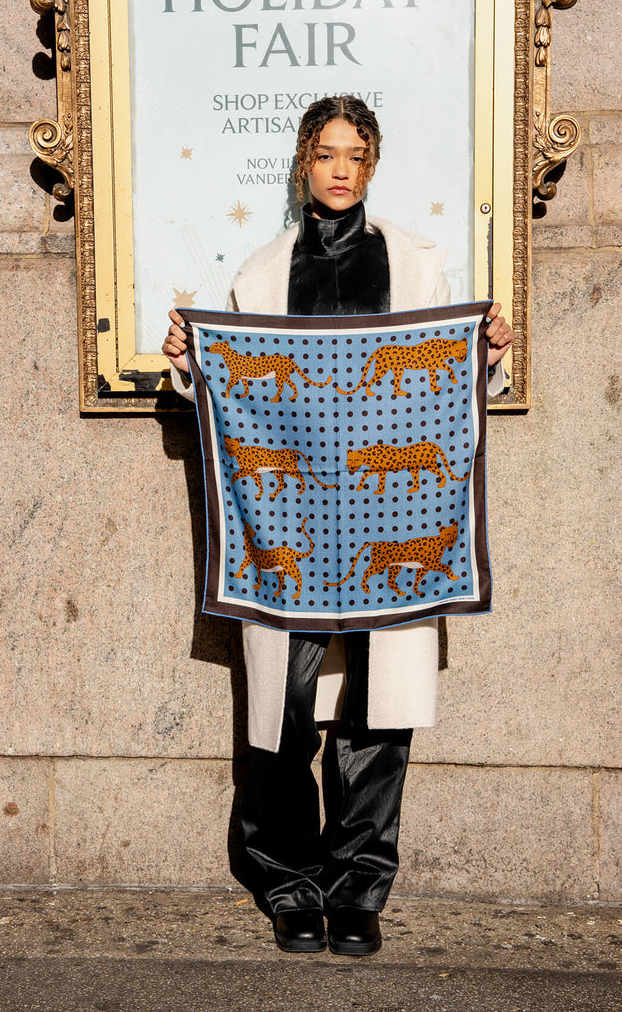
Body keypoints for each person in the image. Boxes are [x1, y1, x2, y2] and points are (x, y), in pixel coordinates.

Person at [162, 97, 513, 956]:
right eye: (326, 154)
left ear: (374, 163)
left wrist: (489, 355)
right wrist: (187, 365)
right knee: (282, 712)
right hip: (289, 530)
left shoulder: (421, 264)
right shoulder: (259, 270)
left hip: (391, 516)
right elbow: (235, 402)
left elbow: (447, 392)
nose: (341, 168)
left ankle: (358, 888)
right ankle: (288, 882)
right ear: (302, 164)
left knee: (376, 713)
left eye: (356, 154)